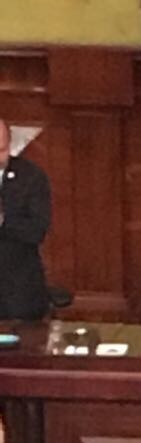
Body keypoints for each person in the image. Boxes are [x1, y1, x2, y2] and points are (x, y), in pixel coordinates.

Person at [0, 119, 51, 321]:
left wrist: (3, 221)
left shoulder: (30, 177)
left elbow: (37, 230)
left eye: (1, 150)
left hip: (17, 290)